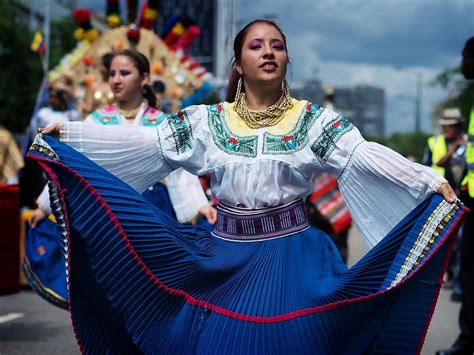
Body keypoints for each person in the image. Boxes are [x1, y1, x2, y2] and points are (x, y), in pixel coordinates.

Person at [34, 20, 465, 353]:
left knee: (299, 344)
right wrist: (73, 138)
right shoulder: (208, 122)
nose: (269, 52)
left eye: (278, 46)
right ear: (239, 63)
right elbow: (144, 143)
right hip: (223, 258)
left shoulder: (312, 121)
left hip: (292, 258)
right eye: (256, 46)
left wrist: (429, 180)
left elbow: (363, 155)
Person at [436, 36, 474, 355]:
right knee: (466, 263)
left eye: (465, 56)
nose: (462, 63)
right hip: (462, 199)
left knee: (468, 264)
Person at [422, 108, 467, 299]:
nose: (445, 128)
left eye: (450, 124)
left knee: (461, 241)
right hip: (438, 198)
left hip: (463, 196)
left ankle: (458, 283)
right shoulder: (435, 142)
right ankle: (442, 275)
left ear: (458, 126)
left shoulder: (468, 143)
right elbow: (432, 165)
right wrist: (453, 150)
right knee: (440, 239)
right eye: (444, 124)